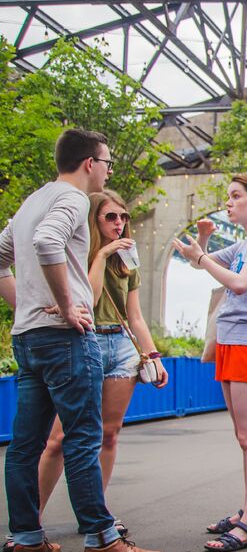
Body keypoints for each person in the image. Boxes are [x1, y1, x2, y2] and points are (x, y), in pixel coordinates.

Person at [0, 129, 166, 552]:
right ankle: (102, 539)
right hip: (64, 338)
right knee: (83, 439)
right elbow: (47, 243)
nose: (109, 169)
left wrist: (28, 307)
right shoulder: (72, 200)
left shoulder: (32, 201)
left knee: (24, 445)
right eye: (107, 162)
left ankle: (28, 539)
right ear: (90, 163)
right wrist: (70, 306)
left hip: (29, 337)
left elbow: (1, 259)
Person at [34, 190, 170, 533]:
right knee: (59, 438)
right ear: (94, 218)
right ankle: (29, 521)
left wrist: (153, 355)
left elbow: (135, 315)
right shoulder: (78, 254)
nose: (120, 223)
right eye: (111, 217)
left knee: (109, 435)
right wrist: (104, 254)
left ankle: (95, 517)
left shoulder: (129, 260)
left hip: (121, 348)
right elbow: (91, 298)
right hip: (84, 341)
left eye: (123, 217)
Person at [172, 173, 247, 552]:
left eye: (236, 196)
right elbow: (198, 264)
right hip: (232, 339)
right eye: (228, 196)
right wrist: (202, 242)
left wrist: (203, 256)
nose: (229, 202)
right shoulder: (246, 241)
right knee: (245, 438)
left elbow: (239, 283)